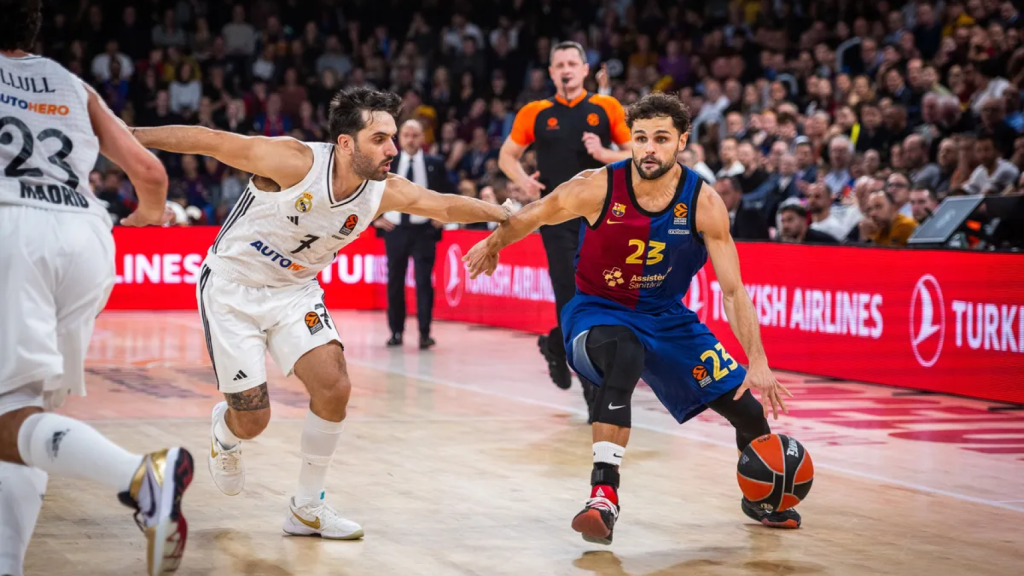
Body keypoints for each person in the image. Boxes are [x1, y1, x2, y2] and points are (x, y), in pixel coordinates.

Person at [132, 87, 511, 540]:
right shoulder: (294, 162)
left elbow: (444, 204)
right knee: (253, 421)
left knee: (335, 387)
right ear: (346, 143)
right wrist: (125, 134)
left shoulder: (383, 191)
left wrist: (504, 214)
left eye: (393, 137)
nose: (392, 148)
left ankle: (307, 507)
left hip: (295, 292)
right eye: (380, 139)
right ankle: (226, 434)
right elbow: (207, 140)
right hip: (233, 289)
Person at [465, 93, 799, 545]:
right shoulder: (598, 185)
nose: (648, 148)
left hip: (667, 317)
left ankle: (759, 496)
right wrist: (494, 243)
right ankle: (603, 495)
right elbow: (537, 214)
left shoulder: (703, 202)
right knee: (624, 352)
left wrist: (756, 359)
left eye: (660, 139)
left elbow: (734, 290)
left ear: (681, 141)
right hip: (598, 310)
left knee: (750, 414)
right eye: (640, 138)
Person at [0, 2, 192, 575]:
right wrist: (147, 219)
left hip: (11, 228)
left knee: (11, 416)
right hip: (85, 236)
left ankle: (141, 477)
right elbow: (152, 175)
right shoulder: (72, 84)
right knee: (22, 415)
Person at [499, 41, 632, 392]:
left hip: (603, 218)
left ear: (586, 70)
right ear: (551, 72)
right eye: (559, 65)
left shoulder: (606, 106)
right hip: (555, 219)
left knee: (603, 296)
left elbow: (635, 150)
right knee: (570, 297)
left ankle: (555, 345)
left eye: (573, 63)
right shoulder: (536, 111)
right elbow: (506, 156)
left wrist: (603, 152)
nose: (566, 69)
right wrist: (523, 181)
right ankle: (594, 391)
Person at [375, 119, 453, 349]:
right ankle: (396, 331)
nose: (410, 139)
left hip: (424, 231)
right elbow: (369, 190)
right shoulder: (389, 162)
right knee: (395, 283)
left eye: (415, 135)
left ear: (423, 138)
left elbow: (449, 192)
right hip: (395, 230)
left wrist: (444, 216)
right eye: (407, 135)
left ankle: (425, 332)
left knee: (423, 283)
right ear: (400, 138)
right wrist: (375, 219)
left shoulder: (434, 163)